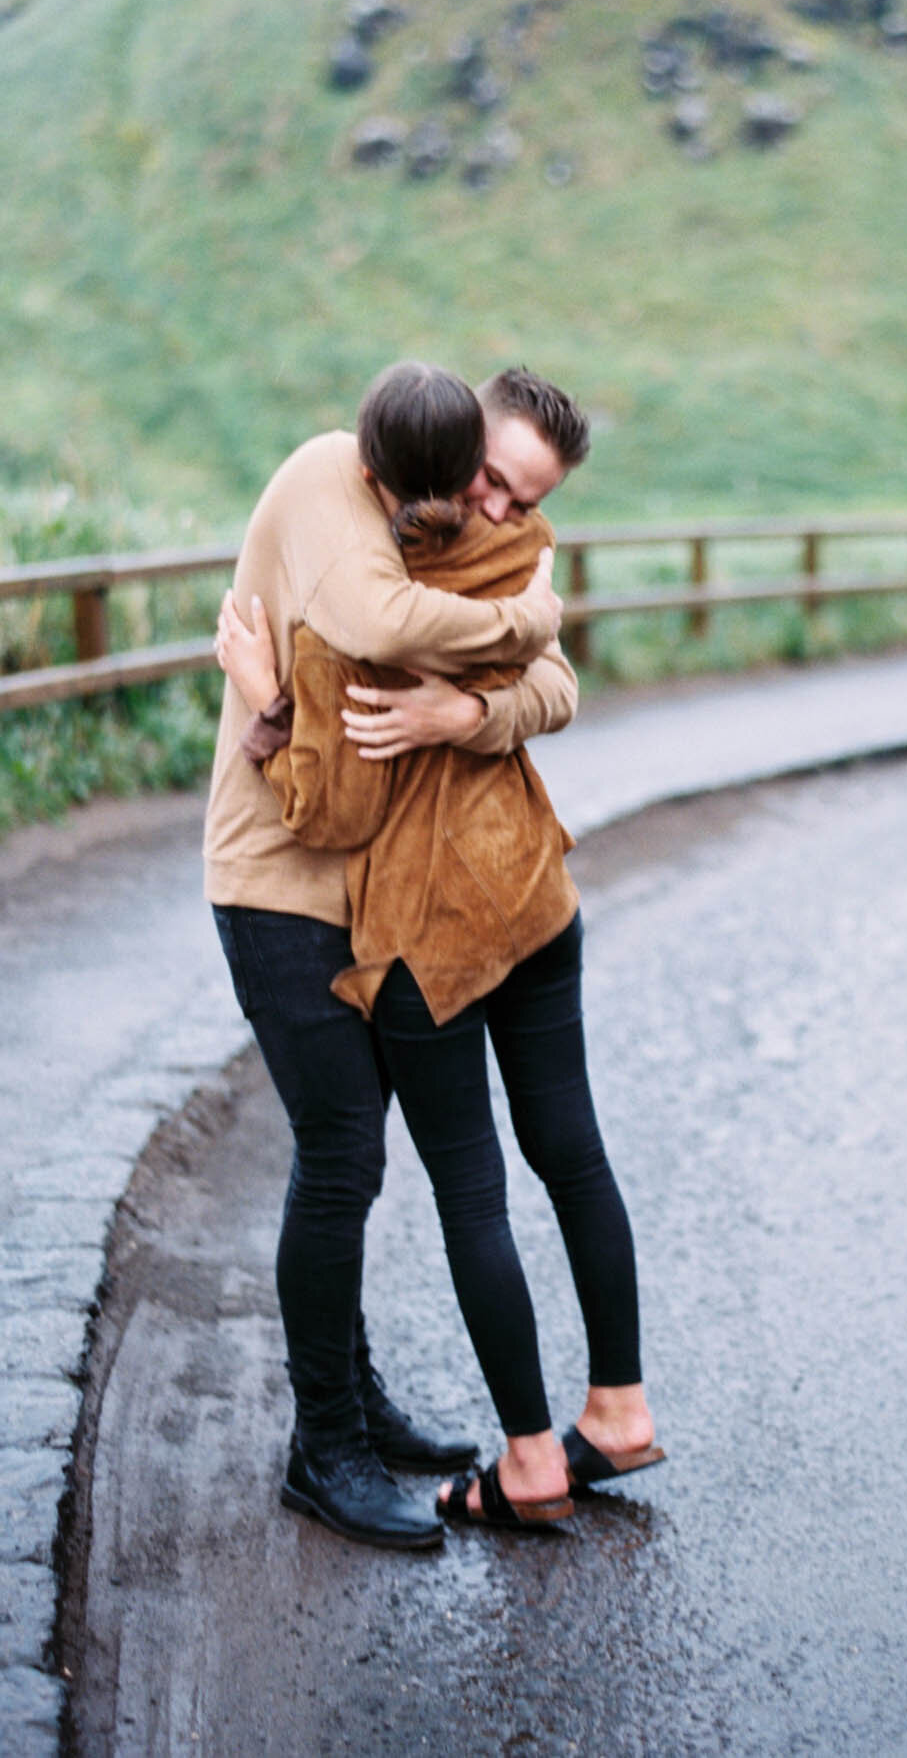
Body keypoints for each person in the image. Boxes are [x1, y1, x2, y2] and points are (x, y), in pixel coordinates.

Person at [216, 387, 661, 1531]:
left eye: (525, 500)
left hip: (403, 908)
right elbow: (381, 639)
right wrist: (271, 707)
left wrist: (467, 715)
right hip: (289, 883)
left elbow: (555, 684)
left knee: (413, 1166)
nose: (500, 507)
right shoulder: (347, 519)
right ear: (455, 438)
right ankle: (326, 1441)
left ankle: (384, 1416)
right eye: (492, 481)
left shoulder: (484, 545)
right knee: (345, 1155)